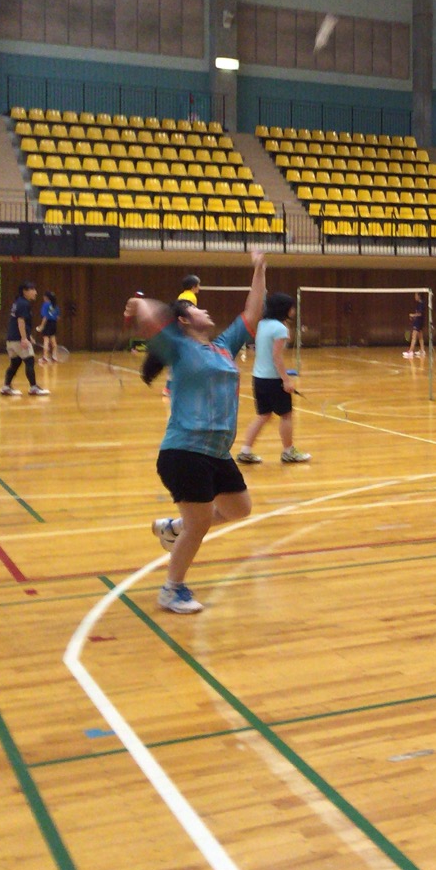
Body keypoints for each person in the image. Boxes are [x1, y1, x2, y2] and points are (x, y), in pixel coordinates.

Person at [129, 250, 267, 614]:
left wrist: (259, 268)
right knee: (201, 523)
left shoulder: (223, 348)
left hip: (217, 452)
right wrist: (137, 302)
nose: (205, 310)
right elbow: (150, 318)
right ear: (185, 320)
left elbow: (252, 313)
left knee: (239, 508)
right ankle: (172, 589)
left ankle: (175, 527)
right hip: (184, 450)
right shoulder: (178, 347)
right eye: (196, 309)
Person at [236, 292, 310, 466]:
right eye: (291, 307)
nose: (293, 310)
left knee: (263, 415)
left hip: (259, 378)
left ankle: (245, 451)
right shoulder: (280, 328)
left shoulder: (262, 324)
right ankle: (288, 452)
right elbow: (277, 357)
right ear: (284, 309)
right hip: (273, 379)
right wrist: (286, 380)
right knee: (286, 415)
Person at [1, 282, 47, 397]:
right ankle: (33, 387)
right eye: (33, 290)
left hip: (10, 339)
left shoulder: (17, 303)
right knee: (30, 361)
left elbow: (20, 322)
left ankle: (6, 387)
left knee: (15, 363)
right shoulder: (24, 304)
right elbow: (20, 321)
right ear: (25, 291)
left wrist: (28, 336)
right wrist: (24, 338)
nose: (35, 292)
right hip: (18, 339)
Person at [38, 292, 61, 364]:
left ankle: (45, 357)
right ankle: (54, 357)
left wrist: (41, 326)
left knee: (46, 340)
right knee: (53, 340)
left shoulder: (45, 305)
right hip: (53, 324)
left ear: (46, 297)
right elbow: (58, 317)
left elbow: (45, 317)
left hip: (47, 323)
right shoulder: (55, 306)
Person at [406, 293, 427, 358]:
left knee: (414, 336)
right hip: (419, 321)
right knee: (420, 336)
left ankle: (410, 351)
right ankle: (422, 351)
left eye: (416, 295)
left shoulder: (421, 304)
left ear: (419, 296)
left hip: (418, 322)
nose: (415, 297)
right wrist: (414, 317)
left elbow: (420, 314)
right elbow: (418, 313)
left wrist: (413, 315)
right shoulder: (419, 303)